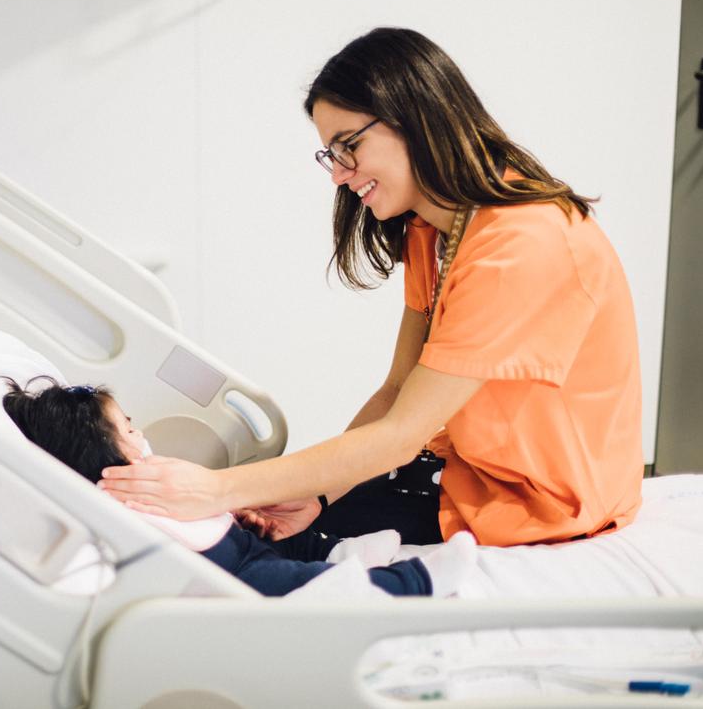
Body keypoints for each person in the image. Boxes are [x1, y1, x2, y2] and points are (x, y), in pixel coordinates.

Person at [97, 27, 643, 549]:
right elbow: (396, 392)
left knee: (259, 549)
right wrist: (317, 494)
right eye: (330, 154)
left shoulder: (520, 243)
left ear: (416, 116)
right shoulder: (437, 229)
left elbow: (402, 434)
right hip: (472, 474)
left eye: (347, 145)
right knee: (260, 533)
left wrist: (215, 488)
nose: (338, 173)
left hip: (542, 501)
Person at [1, 378, 477, 597]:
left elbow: (197, 507)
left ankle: (347, 553)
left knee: (294, 544)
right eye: (127, 428)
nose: (140, 434)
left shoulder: (152, 474)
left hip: (242, 545)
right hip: (237, 575)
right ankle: (413, 583)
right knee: (301, 588)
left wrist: (231, 512)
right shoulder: (115, 498)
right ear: (101, 452)